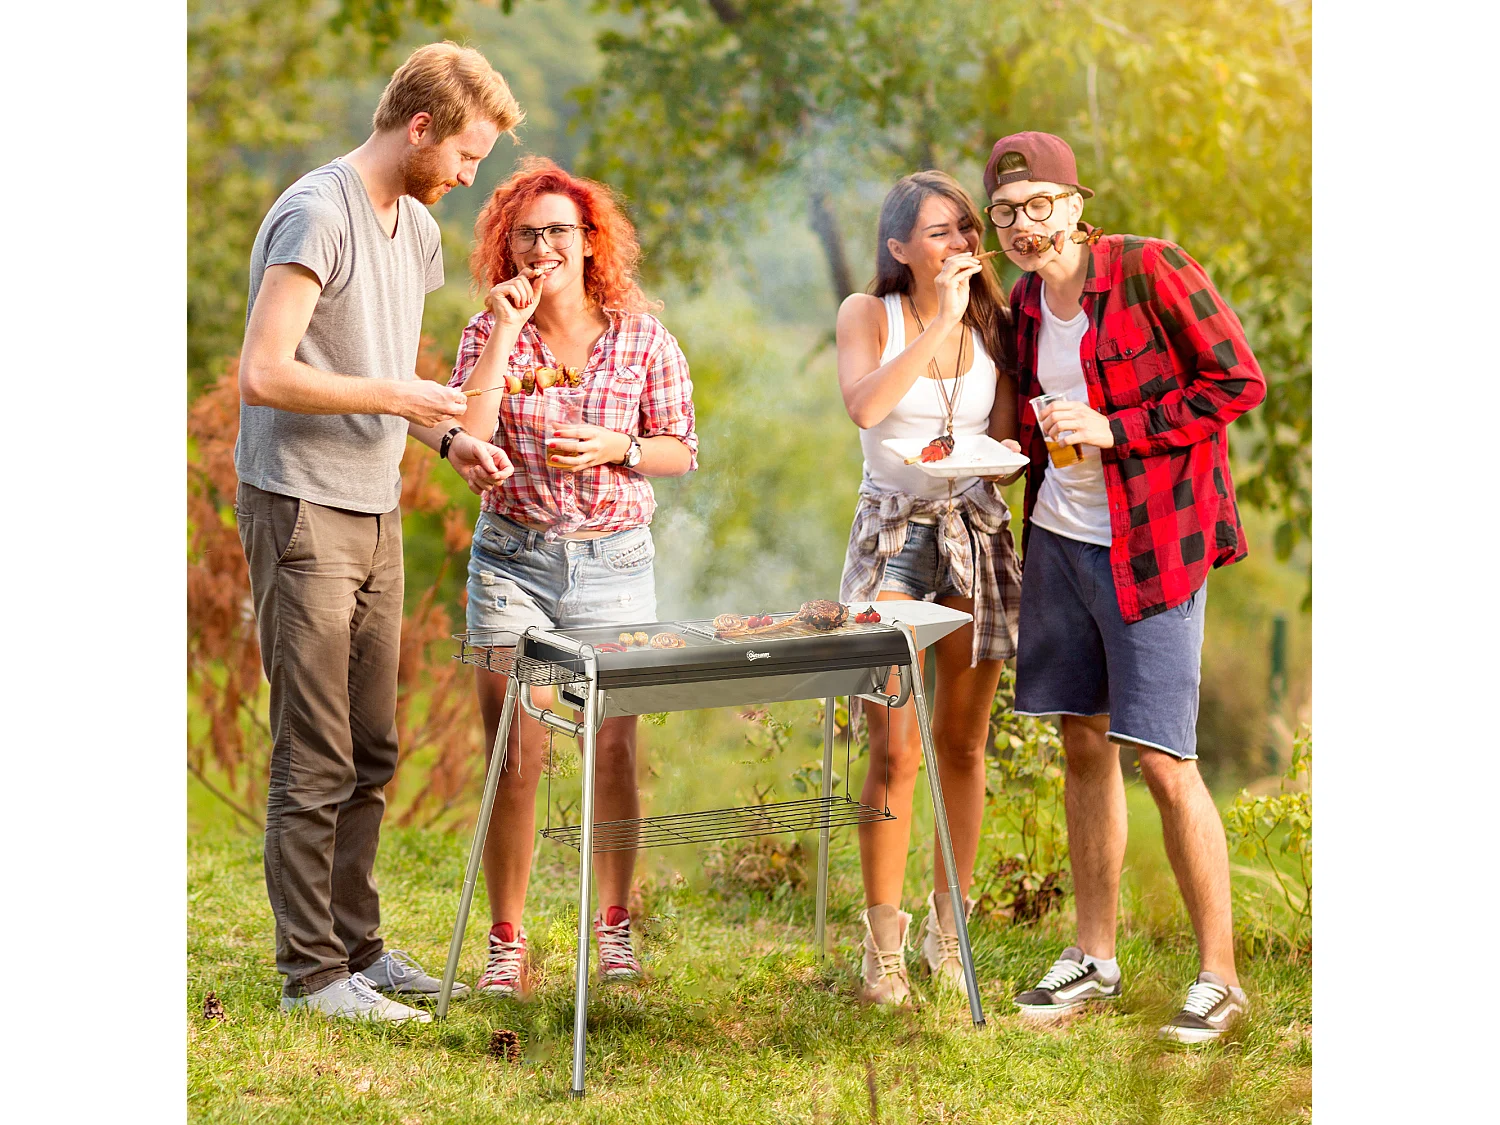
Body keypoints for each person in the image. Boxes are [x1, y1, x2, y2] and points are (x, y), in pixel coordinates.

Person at [235, 42, 523, 1023]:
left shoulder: (417, 232)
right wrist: (400, 394)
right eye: (467, 156)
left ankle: (359, 951)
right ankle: (311, 976)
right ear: (420, 126)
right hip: (300, 501)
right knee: (313, 748)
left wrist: (445, 442)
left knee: (371, 745)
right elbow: (266, 372)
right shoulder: (319, 213)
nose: (468, 176)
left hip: (374, 502)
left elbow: (381, 369)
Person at [983, 131, 1266, 1043]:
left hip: (1154, 546)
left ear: (1075, 201)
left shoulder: (1150, 270)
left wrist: (1120, 427)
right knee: (1082, 741)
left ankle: (1219, 977)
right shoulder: (1026, 305)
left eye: (1038, 207)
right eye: (1005, 215)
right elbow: (1033, 424)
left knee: (1162, 760)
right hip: (1062, 539)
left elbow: (1237, 381)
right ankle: (1094, 957)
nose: (1024, 227)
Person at [446, 157, 697, 996]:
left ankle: (615, 927)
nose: (544, 245)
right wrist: (509, 332)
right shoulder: (489, 331)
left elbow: (679, 448)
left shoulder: (642, 336)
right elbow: (468, 436)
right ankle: (507, 941)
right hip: (512, 559)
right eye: (528, 233)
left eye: (560, 230)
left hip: (614, 563)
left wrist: (617, 446)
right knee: (514, 752)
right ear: (506, 246)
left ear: (590, 242)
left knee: (615, 749)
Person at [834, 171, 1024, 1005]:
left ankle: (952, 937)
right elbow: (867, 409)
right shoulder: (868, 314)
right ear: (900, 246)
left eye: (964, 230)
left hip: (976, 530)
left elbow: (1007, 437)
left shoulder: (997, 320)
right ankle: (883, 952)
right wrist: (938, 320)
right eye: (939, 233)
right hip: (894, 539)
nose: (959, 247)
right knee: (892, 746)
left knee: (962, 742)